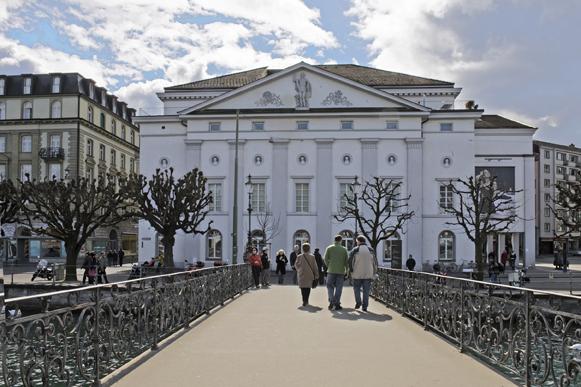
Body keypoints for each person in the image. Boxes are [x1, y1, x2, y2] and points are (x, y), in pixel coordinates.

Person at [349, 235, 378, 312]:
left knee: (356, 289)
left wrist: (351, 271)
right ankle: (365, 306)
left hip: (357, 273)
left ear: (358, 241)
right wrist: (375, 272)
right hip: (368, 273)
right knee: (366, 291)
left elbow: (350, 261)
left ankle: (358, 302)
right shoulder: (371, 250)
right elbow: (375, 262)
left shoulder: (355, 250)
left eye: (356, 242)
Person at [324, 235, 349, 311]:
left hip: (331, 270)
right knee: (339, 287)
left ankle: (331, 301)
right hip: (341, 271)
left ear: (334, 240)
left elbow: (325, 259)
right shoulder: (344, 249)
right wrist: (347, 271)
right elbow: (346, 261)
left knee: (329, 286)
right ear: (341, 240)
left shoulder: (329, 248)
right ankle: (337, 303)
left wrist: (329, 265)